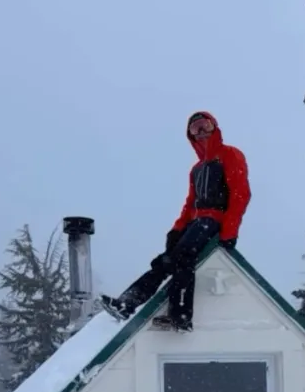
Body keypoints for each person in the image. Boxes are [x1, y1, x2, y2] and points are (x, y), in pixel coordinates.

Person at [101, 111, 251, 331]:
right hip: (197, 222)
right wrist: (177, 229)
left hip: (215, 219)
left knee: (182, 256)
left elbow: (241, 194)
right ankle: (128, 302)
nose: (200, 132)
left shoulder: (230, 155)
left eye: (204, 126)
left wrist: (230, 232)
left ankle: (180, 316)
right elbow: (190, 203)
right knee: (165, 260)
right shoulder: (197, 169)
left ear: (214, 127)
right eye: (194, 129)